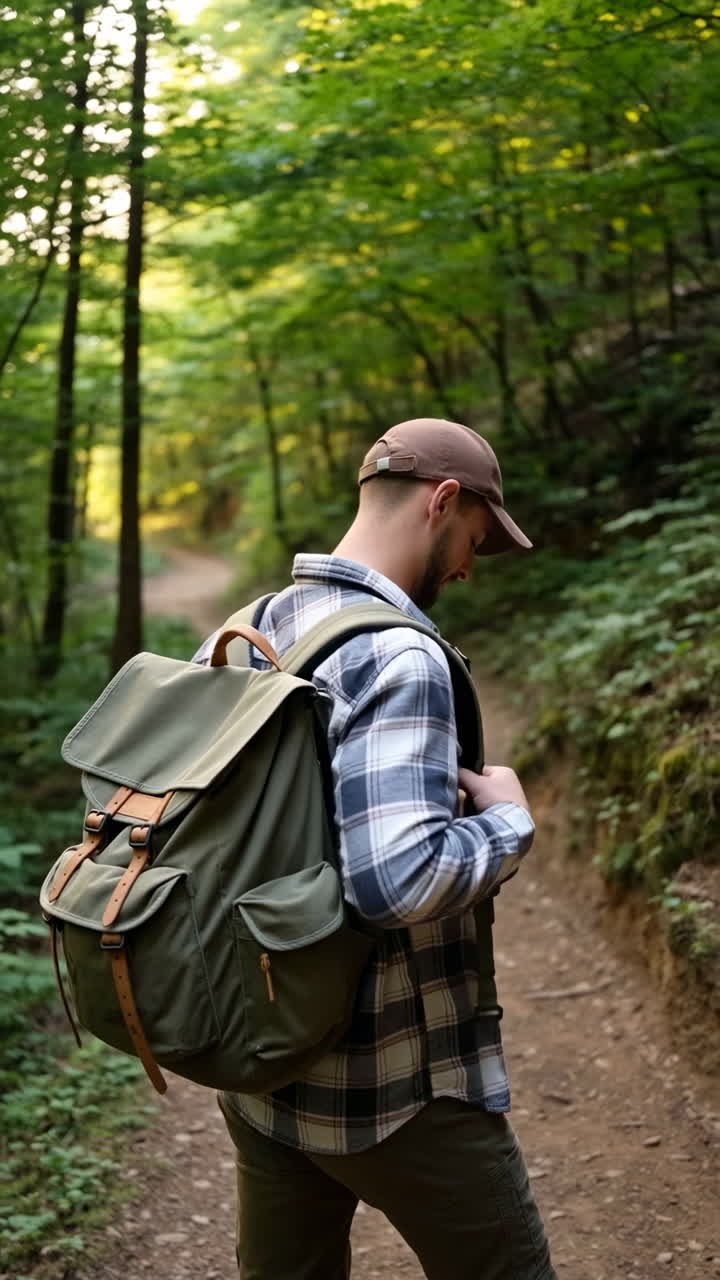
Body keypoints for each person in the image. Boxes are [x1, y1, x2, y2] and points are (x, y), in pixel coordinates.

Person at [196, 417, 556, 1280]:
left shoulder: (245, 628)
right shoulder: (399, 656)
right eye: (474, 539)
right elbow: (395, 883)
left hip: (261, 1060)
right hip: (394, 1083)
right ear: (442, 502)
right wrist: (507, 819)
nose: (469, 567)